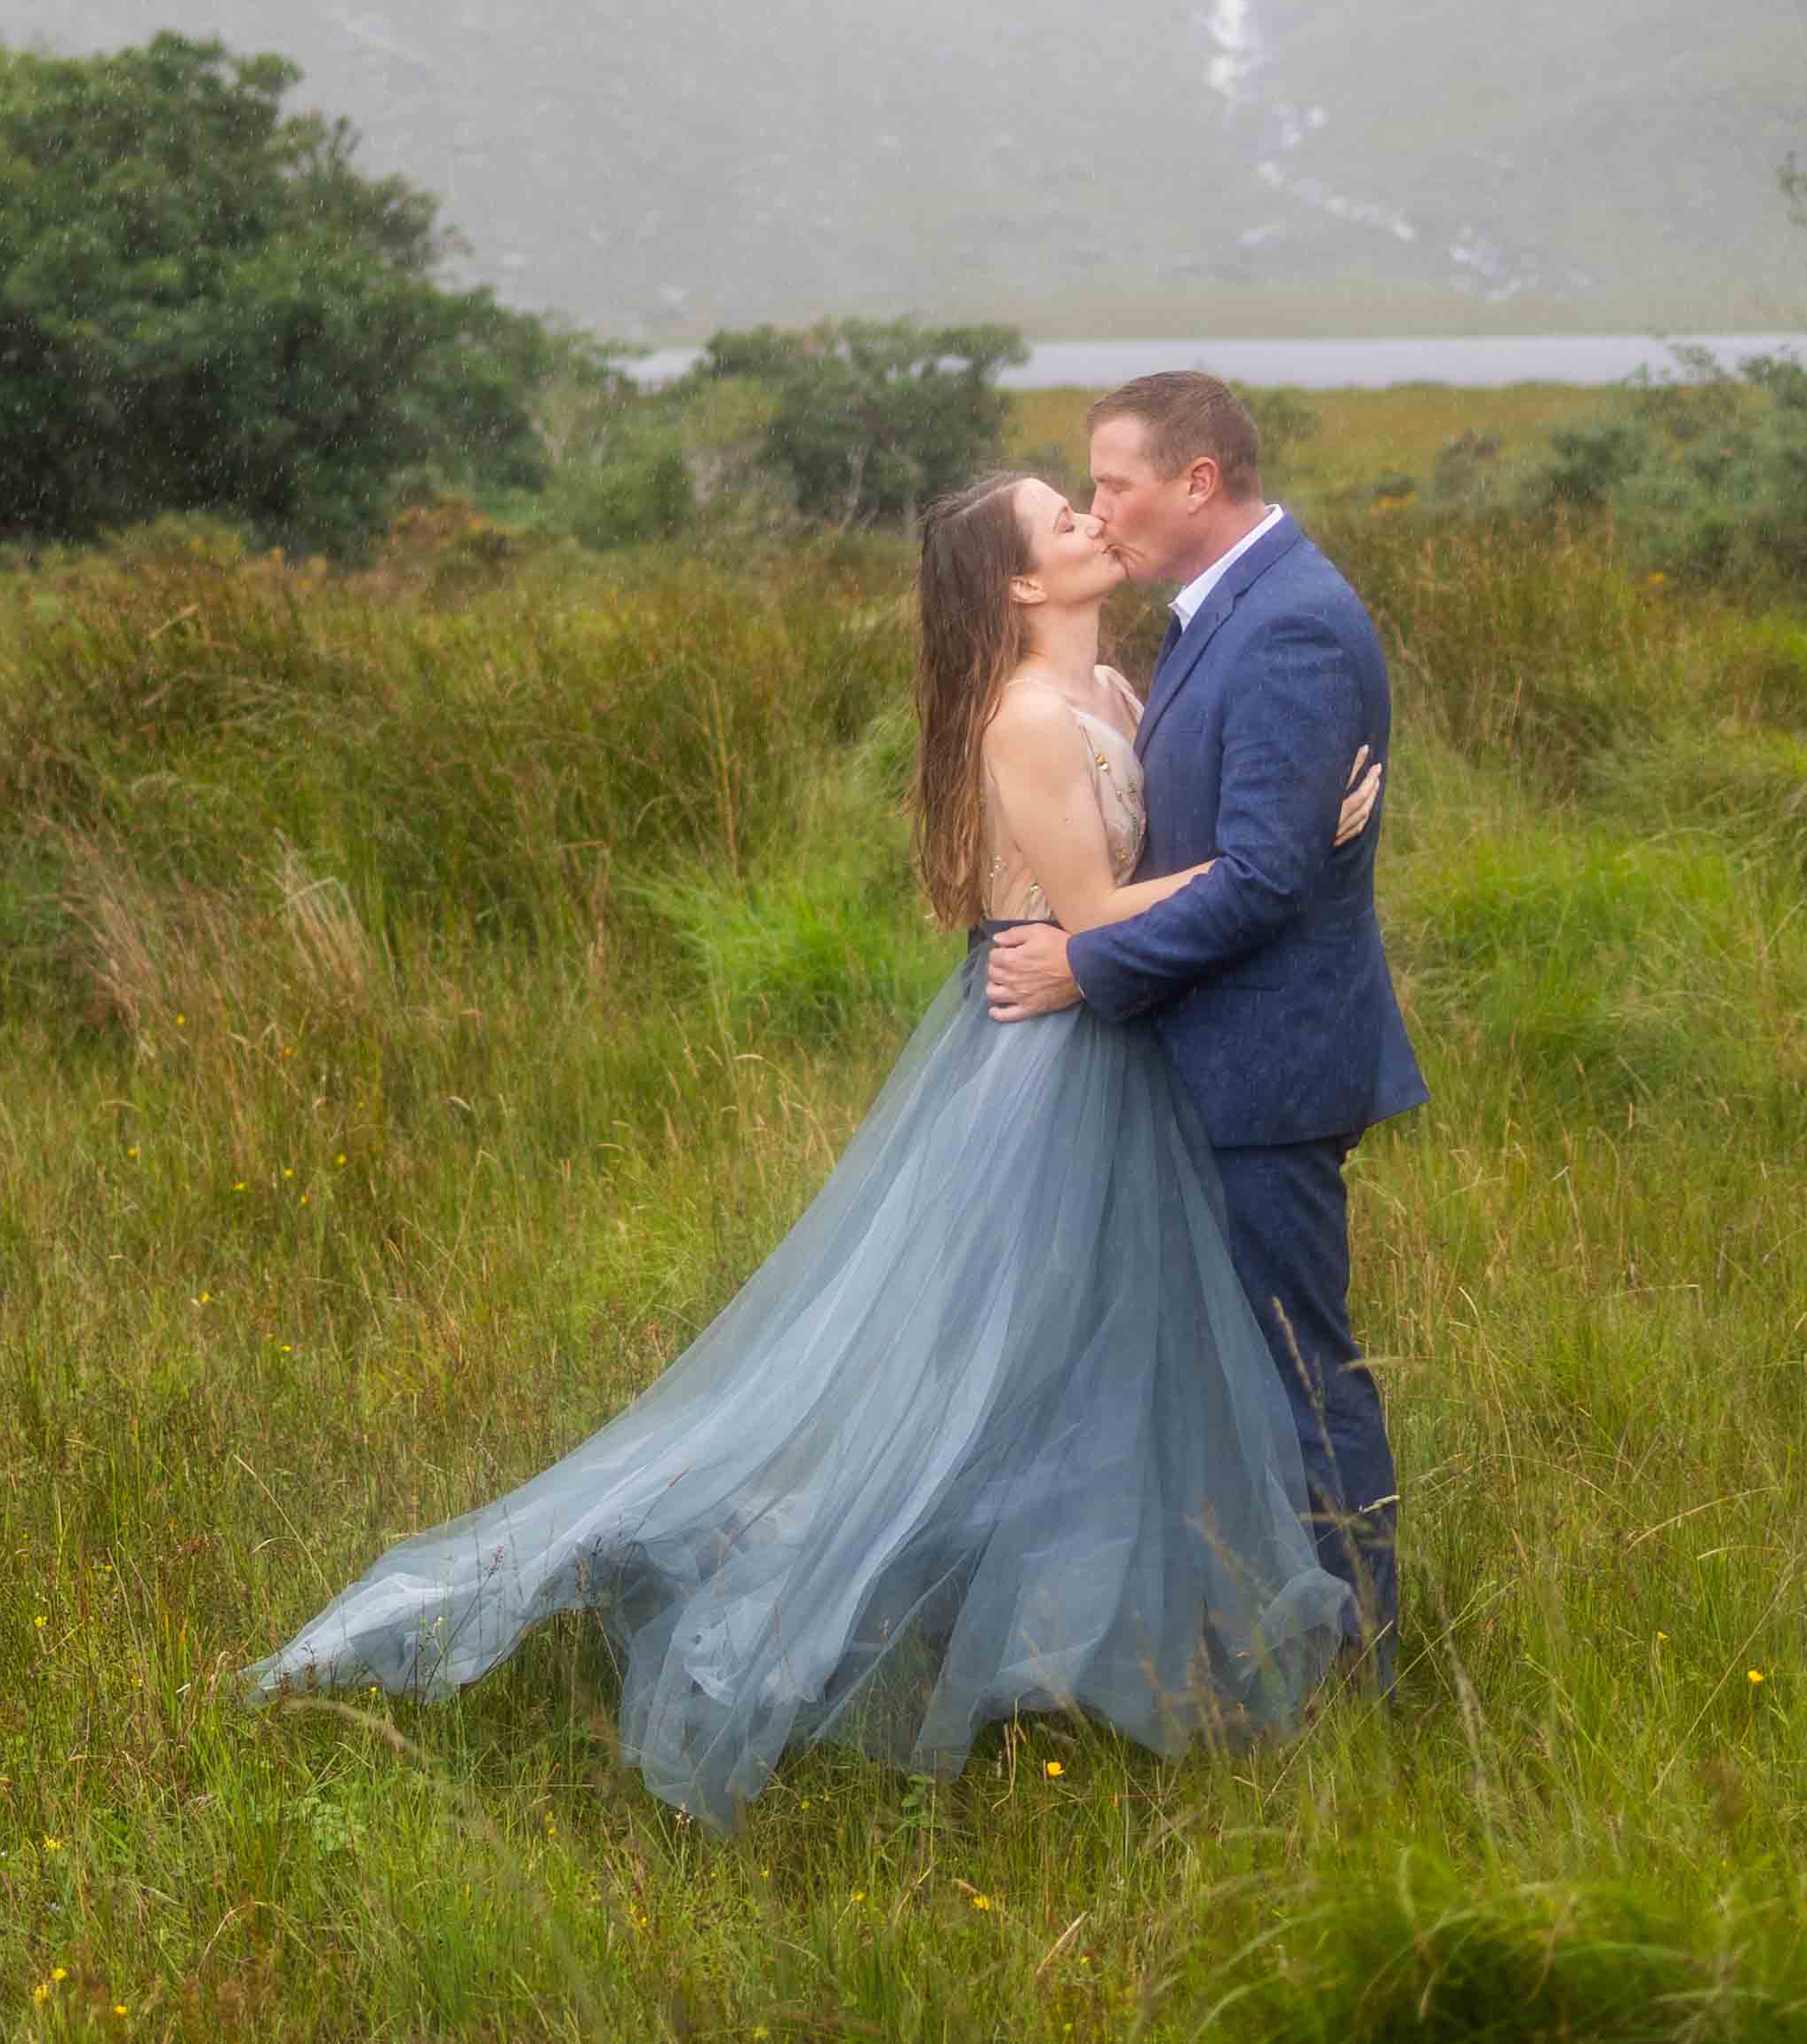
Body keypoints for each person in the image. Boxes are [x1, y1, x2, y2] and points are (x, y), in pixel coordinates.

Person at [229, 469, 1384, 1832]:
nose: (1089, 521)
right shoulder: (1023, 719)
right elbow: (1087, 917)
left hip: (1123, 1052)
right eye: (1061, 521)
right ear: (1020, 585)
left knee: (1098, 1364)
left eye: (1086, 504)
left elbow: (1143, 879)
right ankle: (787, 1606)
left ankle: (1105, 1640)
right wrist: (1290, 845)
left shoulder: (1119, 693)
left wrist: (1251, 846)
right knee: (969, 1368)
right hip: (1048, 1061)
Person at [986, 371, 1425, 1660]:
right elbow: (1238, 855)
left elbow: (1269, 883)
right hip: (1199, 1059)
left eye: (1112, 483)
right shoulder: (1214, 611)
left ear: (1195, 482)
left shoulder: (1286, 622)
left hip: (1265, 1072)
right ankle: (1219, 1642)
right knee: (1204, 1376)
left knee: (1298, 1374)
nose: (1097, 508)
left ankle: (1361, 1666)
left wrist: (1087, 966)